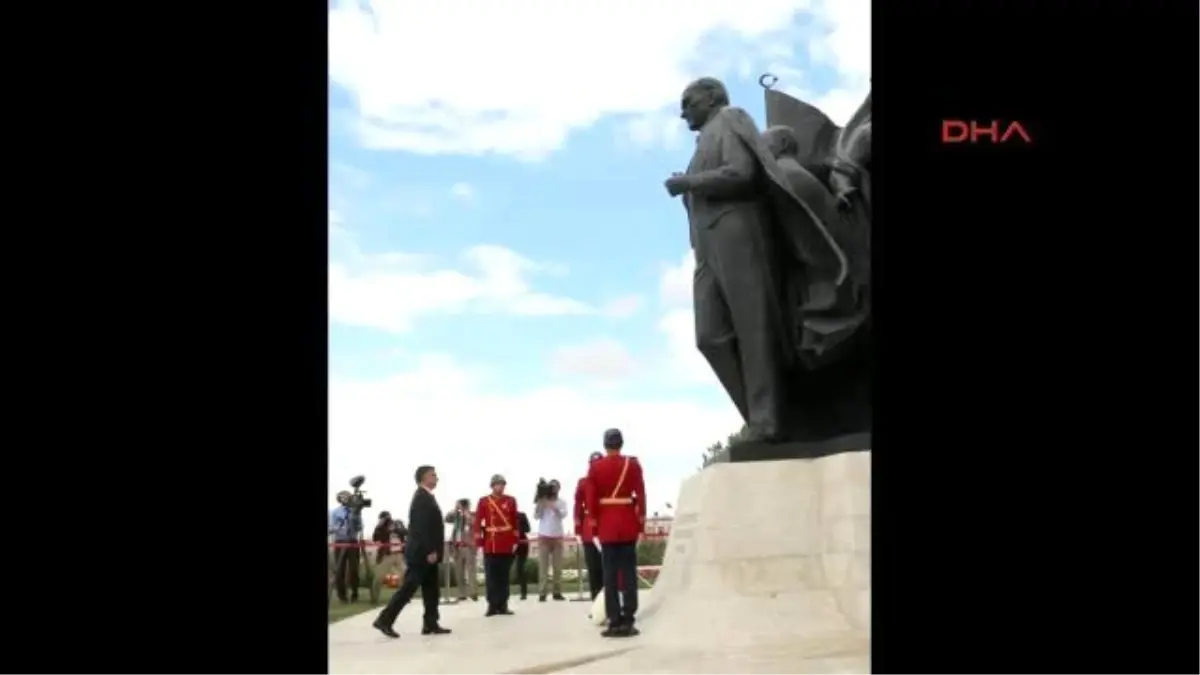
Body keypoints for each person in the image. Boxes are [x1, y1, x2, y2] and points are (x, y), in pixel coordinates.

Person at [663, 76, 847, 442]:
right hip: (707, 246)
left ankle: (768, 421)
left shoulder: (730, 118)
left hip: (737, 231)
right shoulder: (703, 141)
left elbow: (742, 173)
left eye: (688, 102)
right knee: (710, 337)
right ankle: (762, 414)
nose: (683, 112)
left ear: (711, 97)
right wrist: (691, 184)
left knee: (753, 326)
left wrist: (691, 183)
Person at [372, 466, 452, 639]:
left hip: (428, 552)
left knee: (431, 590)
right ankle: (384, 620)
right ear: (423, 478)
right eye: (433, 475)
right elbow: (421, 528)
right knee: (408, 588)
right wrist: (430, 550)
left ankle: (430, 623)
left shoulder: (427, 497)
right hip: (422, 553)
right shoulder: (422, 498)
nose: (436, 477)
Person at [585, 428, 646, 638]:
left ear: (605, 445)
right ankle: (628, 619)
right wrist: (641, 523)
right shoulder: (632, 464)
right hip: (628, 523)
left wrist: (594, 526)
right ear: (621, 443)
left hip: (607, 525)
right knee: (629, 574)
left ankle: (614, 620)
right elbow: (641, 494)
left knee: (609, 575)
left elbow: (591, 499)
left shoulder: (595, 467)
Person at [474, 474, 519, 617]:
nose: (501, 486)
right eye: (498, 484)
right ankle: (492, 605)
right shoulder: (484, 501)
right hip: (491, 542)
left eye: (502, 484)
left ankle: (503, 605)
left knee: (504, 576)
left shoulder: (510, 500)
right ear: (492, 486)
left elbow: (514, 521)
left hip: (506, 541)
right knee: (491, 577)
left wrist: (515, 540)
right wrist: (479, 542)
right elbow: (478, 522)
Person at [574, 452, 605, 600]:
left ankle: (608, 598)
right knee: (593, 567)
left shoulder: (608, 480)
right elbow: (578, 506)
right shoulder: (583, 482)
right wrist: (578, 529)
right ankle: (595, 597)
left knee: (607, 567)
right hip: (589, 529)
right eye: (593, 464)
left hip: (606, 525)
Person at [534, 479, 569, 601]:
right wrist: (541, 503)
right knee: (543, 567)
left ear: (559, 489)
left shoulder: (562, 502)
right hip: (544, 536)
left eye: (556, 487)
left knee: (557, 567)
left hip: (557, 537)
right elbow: (536, 516)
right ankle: (542, 593)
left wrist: (554, 507)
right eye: (552, 487)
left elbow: (563, 515)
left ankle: (557, 592)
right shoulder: (542, 501)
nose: (554, 489)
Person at [329, 490, 363, 604]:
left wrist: (356, 518)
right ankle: (342, 596)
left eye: (348, 496)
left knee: (354, 569)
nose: (346, 498)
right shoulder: (335, 512)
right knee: (340, 570)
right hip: (340, 541)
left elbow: (360, 527)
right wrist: (337, 527)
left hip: (353, 541)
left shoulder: (355, 511)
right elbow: (330, 528)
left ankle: (354, 594)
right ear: (339, 499)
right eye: (343, 497)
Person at [368, 511, 408, 605]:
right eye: (384, 518)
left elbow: (406, 532)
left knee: (406, 574)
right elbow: (375, 538)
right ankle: (374, 598)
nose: (387, 520)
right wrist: (380, 526)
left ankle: (404, 597)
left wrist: (396, 529)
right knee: (379, 577)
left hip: (399, 554)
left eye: (387, 518)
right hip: (387, 555)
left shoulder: (397, 523)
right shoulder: (380, 528)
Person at [444, 498, 479, 602]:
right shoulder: (456, 517)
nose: (460, 507)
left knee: (471, 571)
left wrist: (465, 512)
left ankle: (473, 592)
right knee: (459, 572)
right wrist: (455, 510)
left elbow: (473, 522)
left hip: (468, 547)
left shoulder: (472, 514)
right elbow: (446, 518)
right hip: (457, 547)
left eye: (461, 505)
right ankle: (461, 593)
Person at [514, 511, 531, 600]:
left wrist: (518, 529)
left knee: (520, 568)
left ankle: (523, 592)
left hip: (522, 543)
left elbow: (528, 529)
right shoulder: (504, 516)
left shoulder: (521, 515)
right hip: (509, 543)